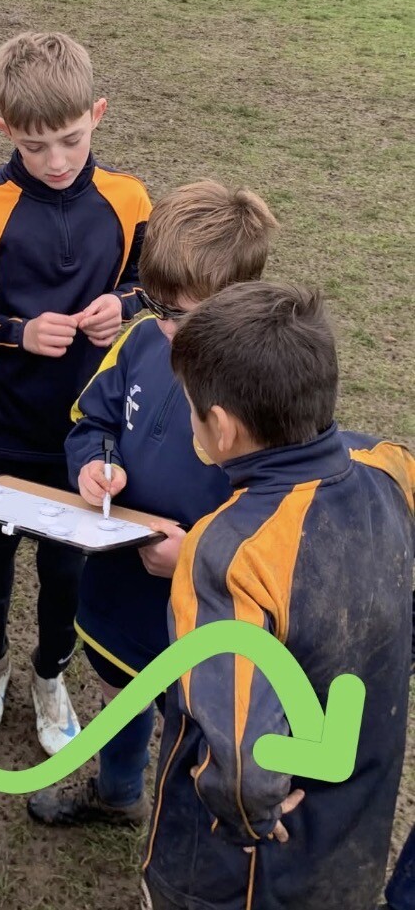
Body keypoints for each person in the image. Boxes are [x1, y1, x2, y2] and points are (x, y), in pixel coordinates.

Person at [143, 281, 415, 910]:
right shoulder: (391, 464)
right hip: (353, 825)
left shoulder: (229, 552)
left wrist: (248, 815)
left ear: (221, 428)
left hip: (238, 874)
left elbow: (240, 752)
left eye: (191, 409)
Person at [27, 181, 277, 827]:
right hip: (119, 586)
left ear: (239, 301)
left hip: (205, 612)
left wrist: (195, 555)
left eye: (183, 315)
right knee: (119, 690)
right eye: (156, 304)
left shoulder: (268, 390)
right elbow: (92, 419)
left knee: (196, 724)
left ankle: (191, 831)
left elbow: (282, 522)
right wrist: (93, 464)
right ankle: (118, 793)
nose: (165, 327)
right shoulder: (140, 341)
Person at [0, 31, 151, 756]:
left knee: (67, 564)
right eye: (35, 147)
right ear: (5, 129)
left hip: (88, 432)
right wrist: (17, 331)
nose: (57, 161)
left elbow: (152, 283)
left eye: (71, 139)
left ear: (98, 114)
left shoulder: (129, 199)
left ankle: (49, 674)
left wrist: (123, 305)